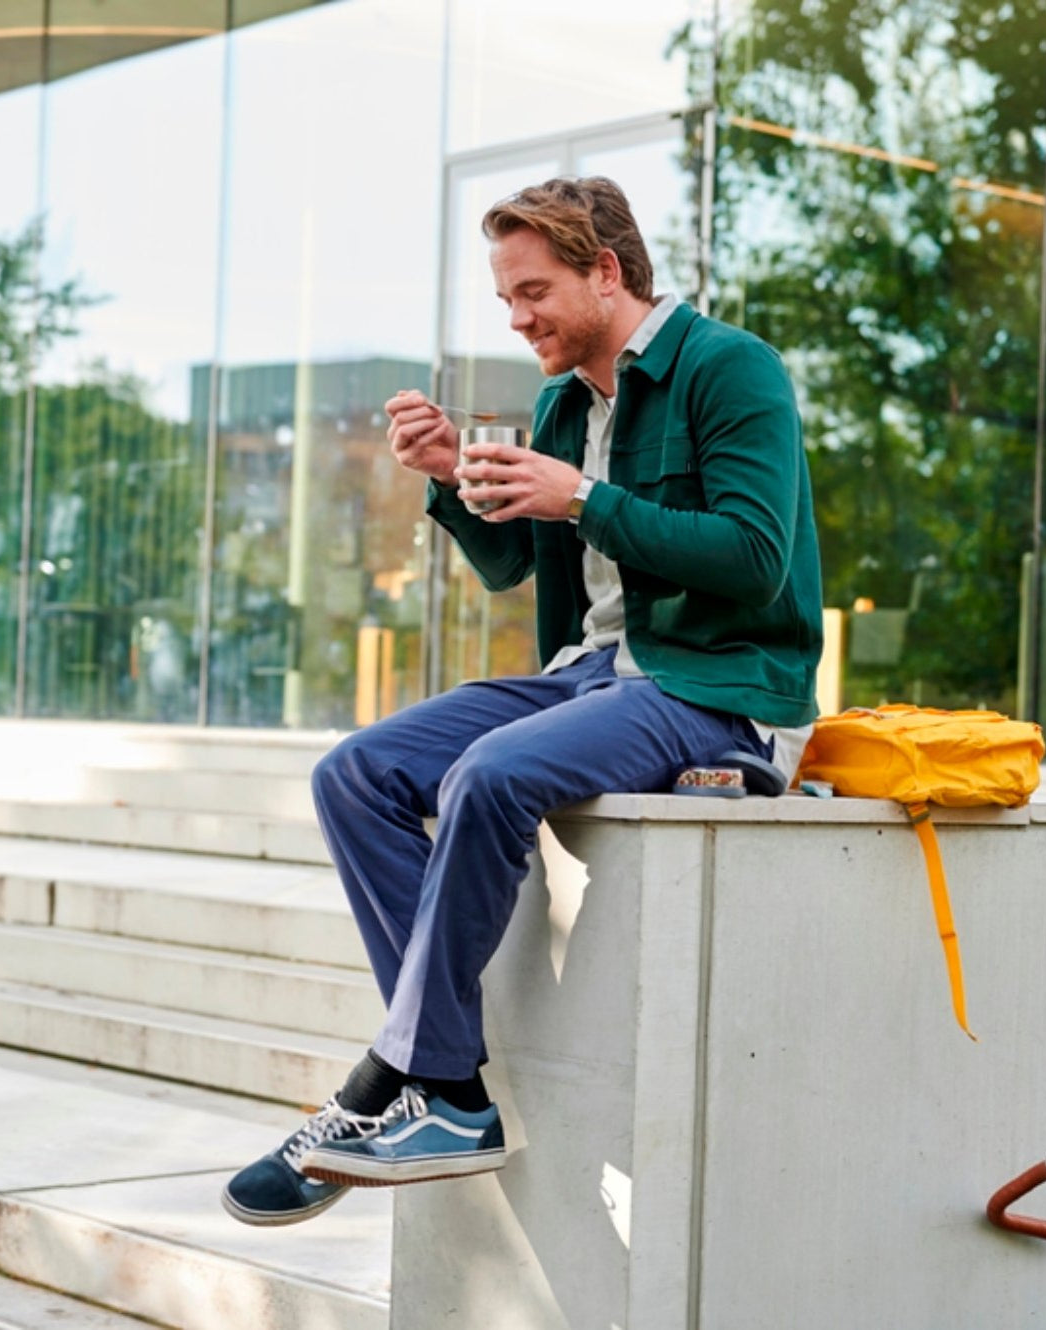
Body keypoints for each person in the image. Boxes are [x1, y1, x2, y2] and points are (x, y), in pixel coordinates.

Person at [222, 176, 823, 1226]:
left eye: (533, 291)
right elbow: (512, 562)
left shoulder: (731, 370)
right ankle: (443, 1079)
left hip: (714, 684)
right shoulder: (560, 405)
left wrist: (584, 495)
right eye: (505, 299)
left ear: (606, 271)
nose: (517, 317)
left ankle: (389, 1084)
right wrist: (452, 474)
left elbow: (756, 560)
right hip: (587, 674)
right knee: (355, 773)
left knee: (489, 773)